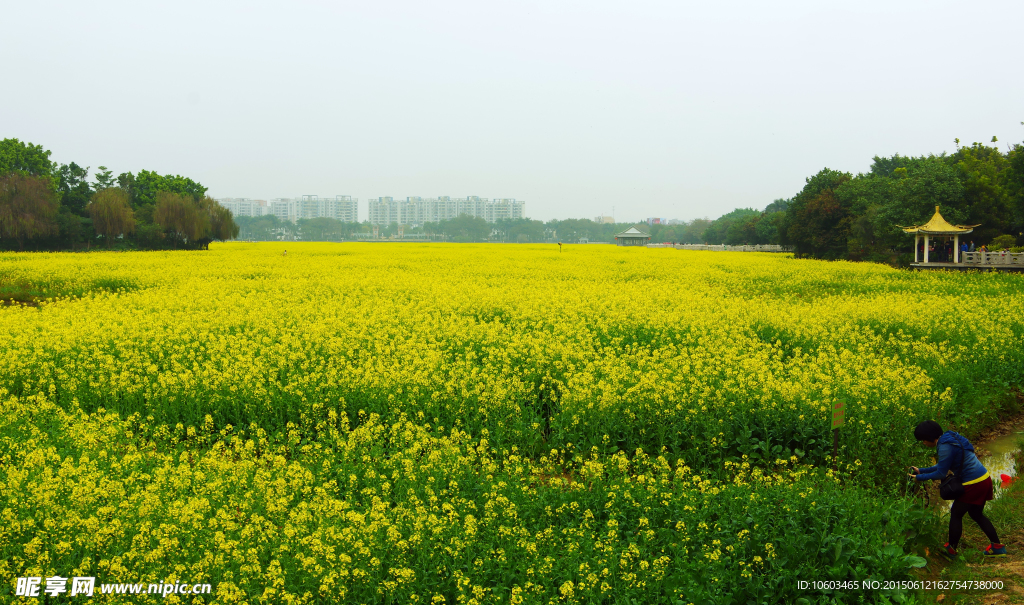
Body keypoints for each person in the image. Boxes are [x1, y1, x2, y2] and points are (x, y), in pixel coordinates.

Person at [909, 420, 1006, 559]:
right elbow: (943, 465)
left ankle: (951, 550)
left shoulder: (944, 446)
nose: (923, 443)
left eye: (923, 440)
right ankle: (997, 547)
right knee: (976, 514)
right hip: (984, 478)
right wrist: (921, 471)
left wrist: (919, 478)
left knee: (956, 513)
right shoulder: (950, 438)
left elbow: (941, 473)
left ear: (930, 437)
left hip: (974, 483)